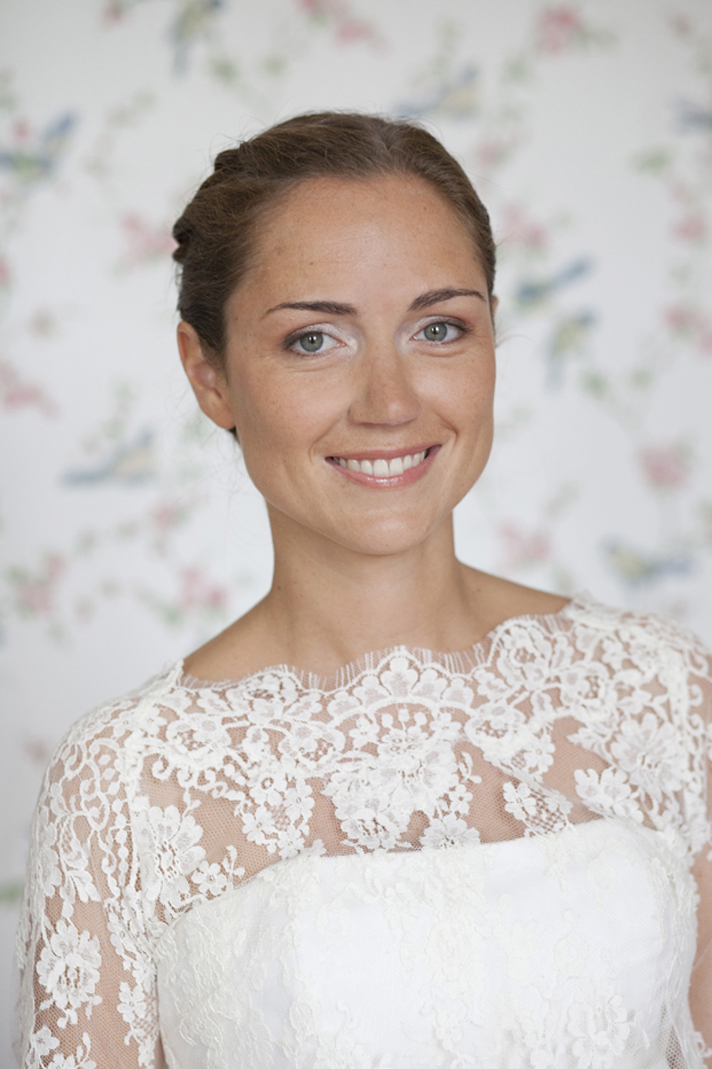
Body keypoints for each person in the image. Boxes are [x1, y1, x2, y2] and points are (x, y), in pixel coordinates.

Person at [16, 111, 712, 1068]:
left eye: (439, 328)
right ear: (209, 374)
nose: (391, 401)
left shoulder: (666, 693)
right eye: (315, 340)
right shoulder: (125, 782)